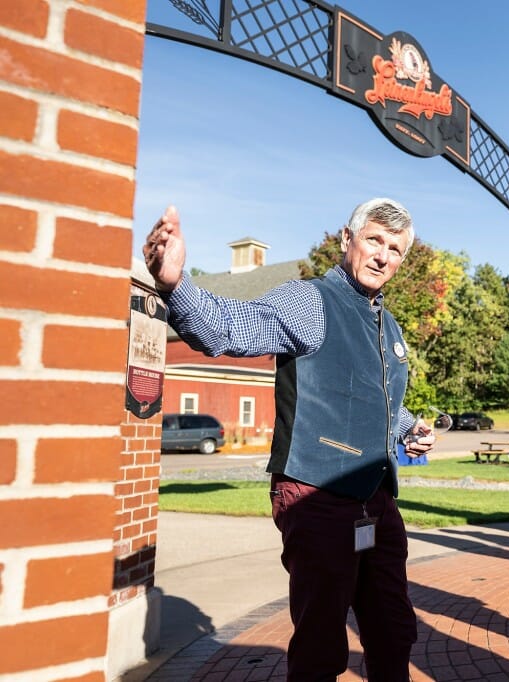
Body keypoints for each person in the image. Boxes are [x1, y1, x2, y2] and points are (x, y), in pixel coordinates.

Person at [143, 199, 436, 681]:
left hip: (377, 501)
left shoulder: (388, 324)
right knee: (322, 644)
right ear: (348, 240)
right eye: (375, 241)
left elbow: (372, 395)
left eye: (397, 250)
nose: (384, 256)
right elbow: (229, 327)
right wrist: (177, 283)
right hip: (316, 494)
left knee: (394, 629)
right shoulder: (310, 301)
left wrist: (409, 428)